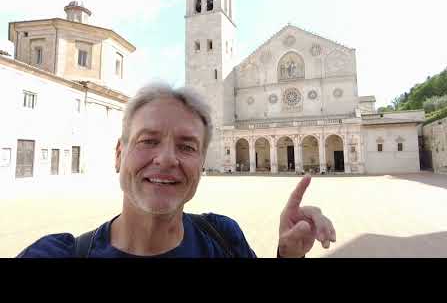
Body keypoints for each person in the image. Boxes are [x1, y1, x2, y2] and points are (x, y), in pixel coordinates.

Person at [17, 82, 336, 258]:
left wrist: (288, 255)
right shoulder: (56, 254)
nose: (167, 158)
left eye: (187, 146)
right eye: (148, 140)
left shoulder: (225, 239)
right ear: (119, 154)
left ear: (201, 163)